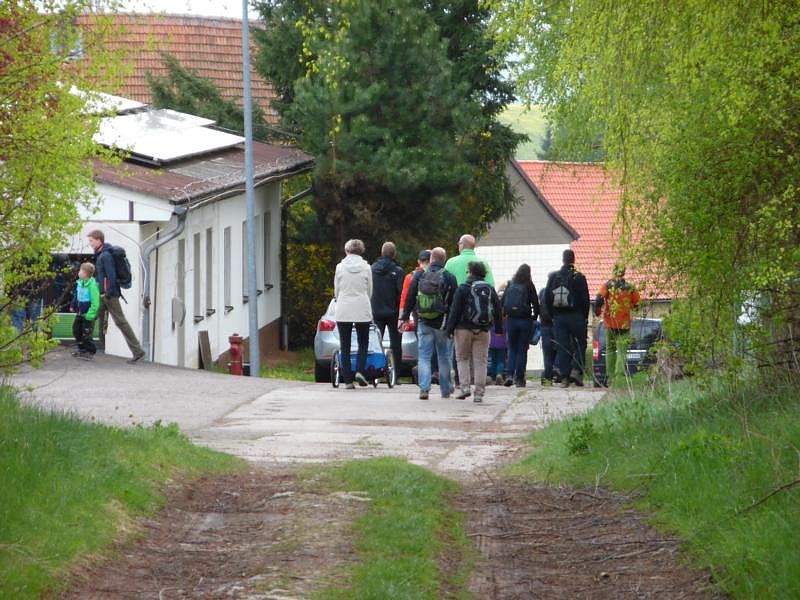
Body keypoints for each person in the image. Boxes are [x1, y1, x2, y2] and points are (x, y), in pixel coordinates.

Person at [399, 247, 457, 400]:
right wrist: (453, 323)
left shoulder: (419, 275)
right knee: (444, 356)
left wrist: (405, 317)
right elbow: (455, 303)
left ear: (431, 259)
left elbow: (410, 297)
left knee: (424, 356)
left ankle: (424, 389)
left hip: (424, 321)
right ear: (444, 260)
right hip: (442, 323)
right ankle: (445, 390)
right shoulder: (449, 277)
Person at [446, 261, 503, 403]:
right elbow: (497, 309)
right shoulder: (489, 288)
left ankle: (465, 388)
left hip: (463, 329)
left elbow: (455, 310)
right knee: (481, 361)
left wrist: (449, 329)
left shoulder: (463, 288)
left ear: (470, 272)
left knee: (462, 358)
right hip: (483, 330)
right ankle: (479, 393)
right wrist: (499, 329)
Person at [87, 230, 145, 363]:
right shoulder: (101, 254)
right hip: (106, 294)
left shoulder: (105, 256)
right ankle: (85, 347)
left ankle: (138, 351)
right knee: (92, 317)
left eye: (91, 240)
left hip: (108, 295)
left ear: (98, 240)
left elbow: (111, 276)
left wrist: (105, 293)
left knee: (120, 321)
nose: (89, 243)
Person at [544, 249, 590, 388]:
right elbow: (585, 299)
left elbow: (547, 297)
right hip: (576, 316)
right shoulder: (579, 276)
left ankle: (564, 377)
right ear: (573, 260)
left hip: (559, 317)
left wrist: (553, 315)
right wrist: (585, 316)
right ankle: (576, 370)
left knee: (562, 347)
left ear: (563, 260)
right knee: (581, 344)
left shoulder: (554, 277)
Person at [334, 238, 373, 389]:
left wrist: (340, 299)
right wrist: (365, 300)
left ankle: (348, 380)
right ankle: (360, 371)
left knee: (345, 344)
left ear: (347, 250)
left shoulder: (340, 267)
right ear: (361, 251)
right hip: (362, 307)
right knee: (363, 342)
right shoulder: (366, 267)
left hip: (343, 308)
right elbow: (370, 290)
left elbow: (337, 289)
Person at [595, 264, 641, 386]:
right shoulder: (630, 287)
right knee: (621, 350)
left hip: (609, 322)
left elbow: (599, 299)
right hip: (624, 324)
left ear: (614, 272)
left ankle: (610, 377)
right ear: (624, 272)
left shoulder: (607, 285)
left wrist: (598, 311)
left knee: (610, 349)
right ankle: (618, 377)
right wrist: (630, 306)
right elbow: (637, 304)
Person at [502, 264, 540, 387]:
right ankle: (519, 379)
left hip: (511, 320)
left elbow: (502, 302)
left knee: (512, 349)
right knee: (522, 350)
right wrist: (534, 317)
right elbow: (536, 303)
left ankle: (509, 375)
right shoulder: (529, 285)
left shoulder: (510, 283)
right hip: (525, 320)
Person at [371, 242, 405, 378]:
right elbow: (401, 292)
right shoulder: (398, 271)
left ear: (381, 253)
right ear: (394, 254)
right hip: (393, 313)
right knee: (396, 344)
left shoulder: (372, 269)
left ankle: (376, 372)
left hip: (376, 311)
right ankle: (395, 375)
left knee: (376, 343)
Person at [71, 262, 100, 360]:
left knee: (86, 334)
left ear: (85, 273)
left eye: (80, 270)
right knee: (76, 330)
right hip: (79, 313)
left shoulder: (92, 286)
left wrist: (90, 315)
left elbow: (95, 302)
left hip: (87, 315)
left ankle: (91, 351)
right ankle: (82, 350)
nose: (79, 272)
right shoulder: (80, 283)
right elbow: (77, 296)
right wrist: (73, 305)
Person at [399, 249, 430, 317]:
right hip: (434, 311)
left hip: (417, 312)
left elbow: (404, 297)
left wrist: (402, 315)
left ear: (418, 261)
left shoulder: (410, 276)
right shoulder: (439, 275)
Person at [538, 284, 558, 385]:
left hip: (544, 326)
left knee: (547, 353)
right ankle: (559, 374)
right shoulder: (558, 290)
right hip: (557, 325)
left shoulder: (542, 291)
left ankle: (547, 379)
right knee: (559, 350)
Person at [487, 318, 507, 386]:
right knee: (501, 361)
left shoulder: (490, 320)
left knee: (493, 361)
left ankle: (492, 378)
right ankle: (499, 374)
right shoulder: (505, 321)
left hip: (491, 343)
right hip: (502, 344)